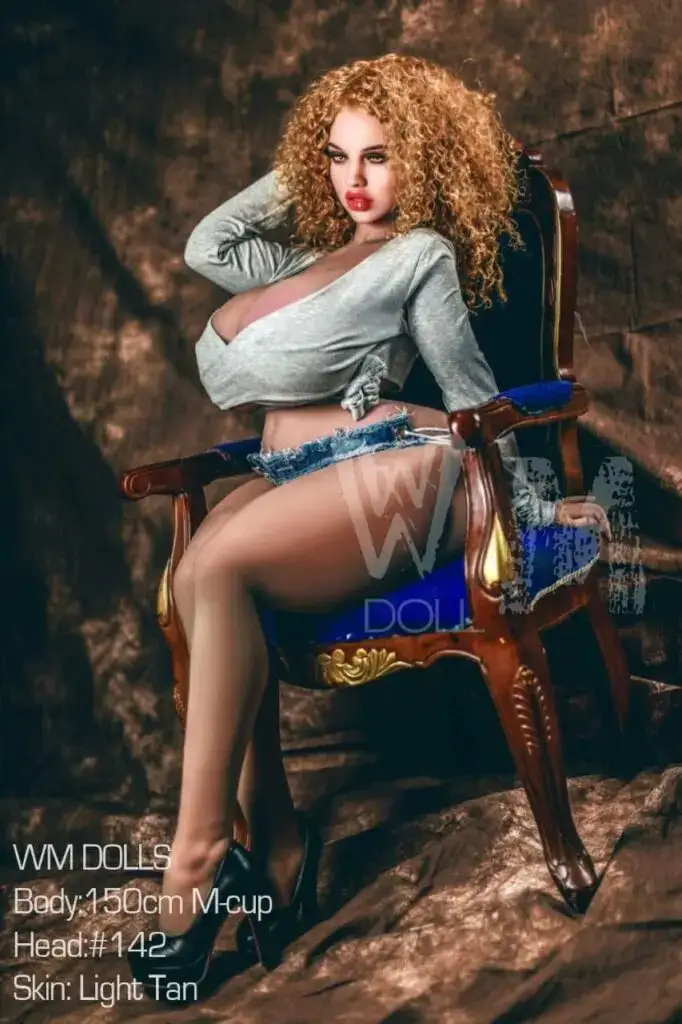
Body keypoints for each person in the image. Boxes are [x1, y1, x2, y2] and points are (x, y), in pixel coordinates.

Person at [128, 53, 611, 996]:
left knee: (216, 573)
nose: (354, 180)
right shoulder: (302, 258)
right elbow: (207, 244)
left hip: (408, 471)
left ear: (419, 164)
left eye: (379, 157)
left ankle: (199, 860)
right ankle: (275, 846)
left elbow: (473, 397)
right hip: (309, 467)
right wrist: (321, 151)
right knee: (190, 579)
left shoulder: (419, 255)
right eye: (337, 157)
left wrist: (524, 501)